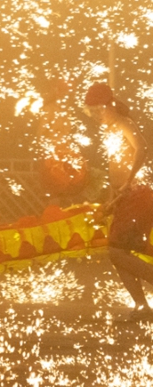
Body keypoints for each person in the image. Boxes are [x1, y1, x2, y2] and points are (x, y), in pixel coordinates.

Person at [84, 82, 153, 321]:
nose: (94, 116)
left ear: (108, 106)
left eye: (96, 110)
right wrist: (110, 203)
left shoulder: (124, 123)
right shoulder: (110, 129)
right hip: (125, 197)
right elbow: (117, 171)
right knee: (117, 251)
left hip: (138, 194)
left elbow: (142, 148)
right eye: (91, 112)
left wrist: (130, 180)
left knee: (117, 251)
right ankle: (143, 307)